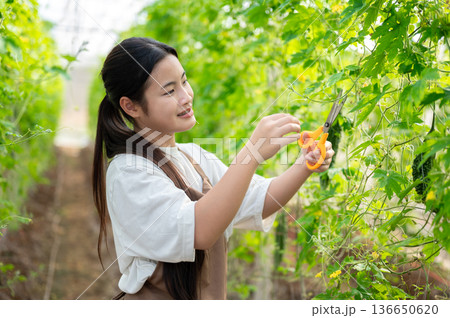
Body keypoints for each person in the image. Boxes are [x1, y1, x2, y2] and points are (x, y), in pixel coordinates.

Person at [92, 37, 335, 300]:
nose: (186, 97)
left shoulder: (194, 157)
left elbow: (260, 199)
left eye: (184, 81)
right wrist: (250, 155)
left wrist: (305, 163)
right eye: (169, 91)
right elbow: (200, 231)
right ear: (131, 106)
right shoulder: (129, 171)